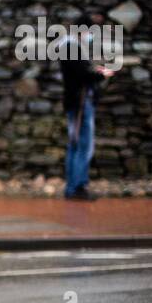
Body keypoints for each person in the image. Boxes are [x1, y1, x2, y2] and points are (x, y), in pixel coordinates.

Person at [60, 49, 112, 201]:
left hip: (76, 104)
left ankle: (73, 187)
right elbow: (82, 75)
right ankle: (77, 187)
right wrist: (102, 74)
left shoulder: (70, 49)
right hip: (80, 105)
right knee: (83, 146)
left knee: (75, 145)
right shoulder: (72, 49)